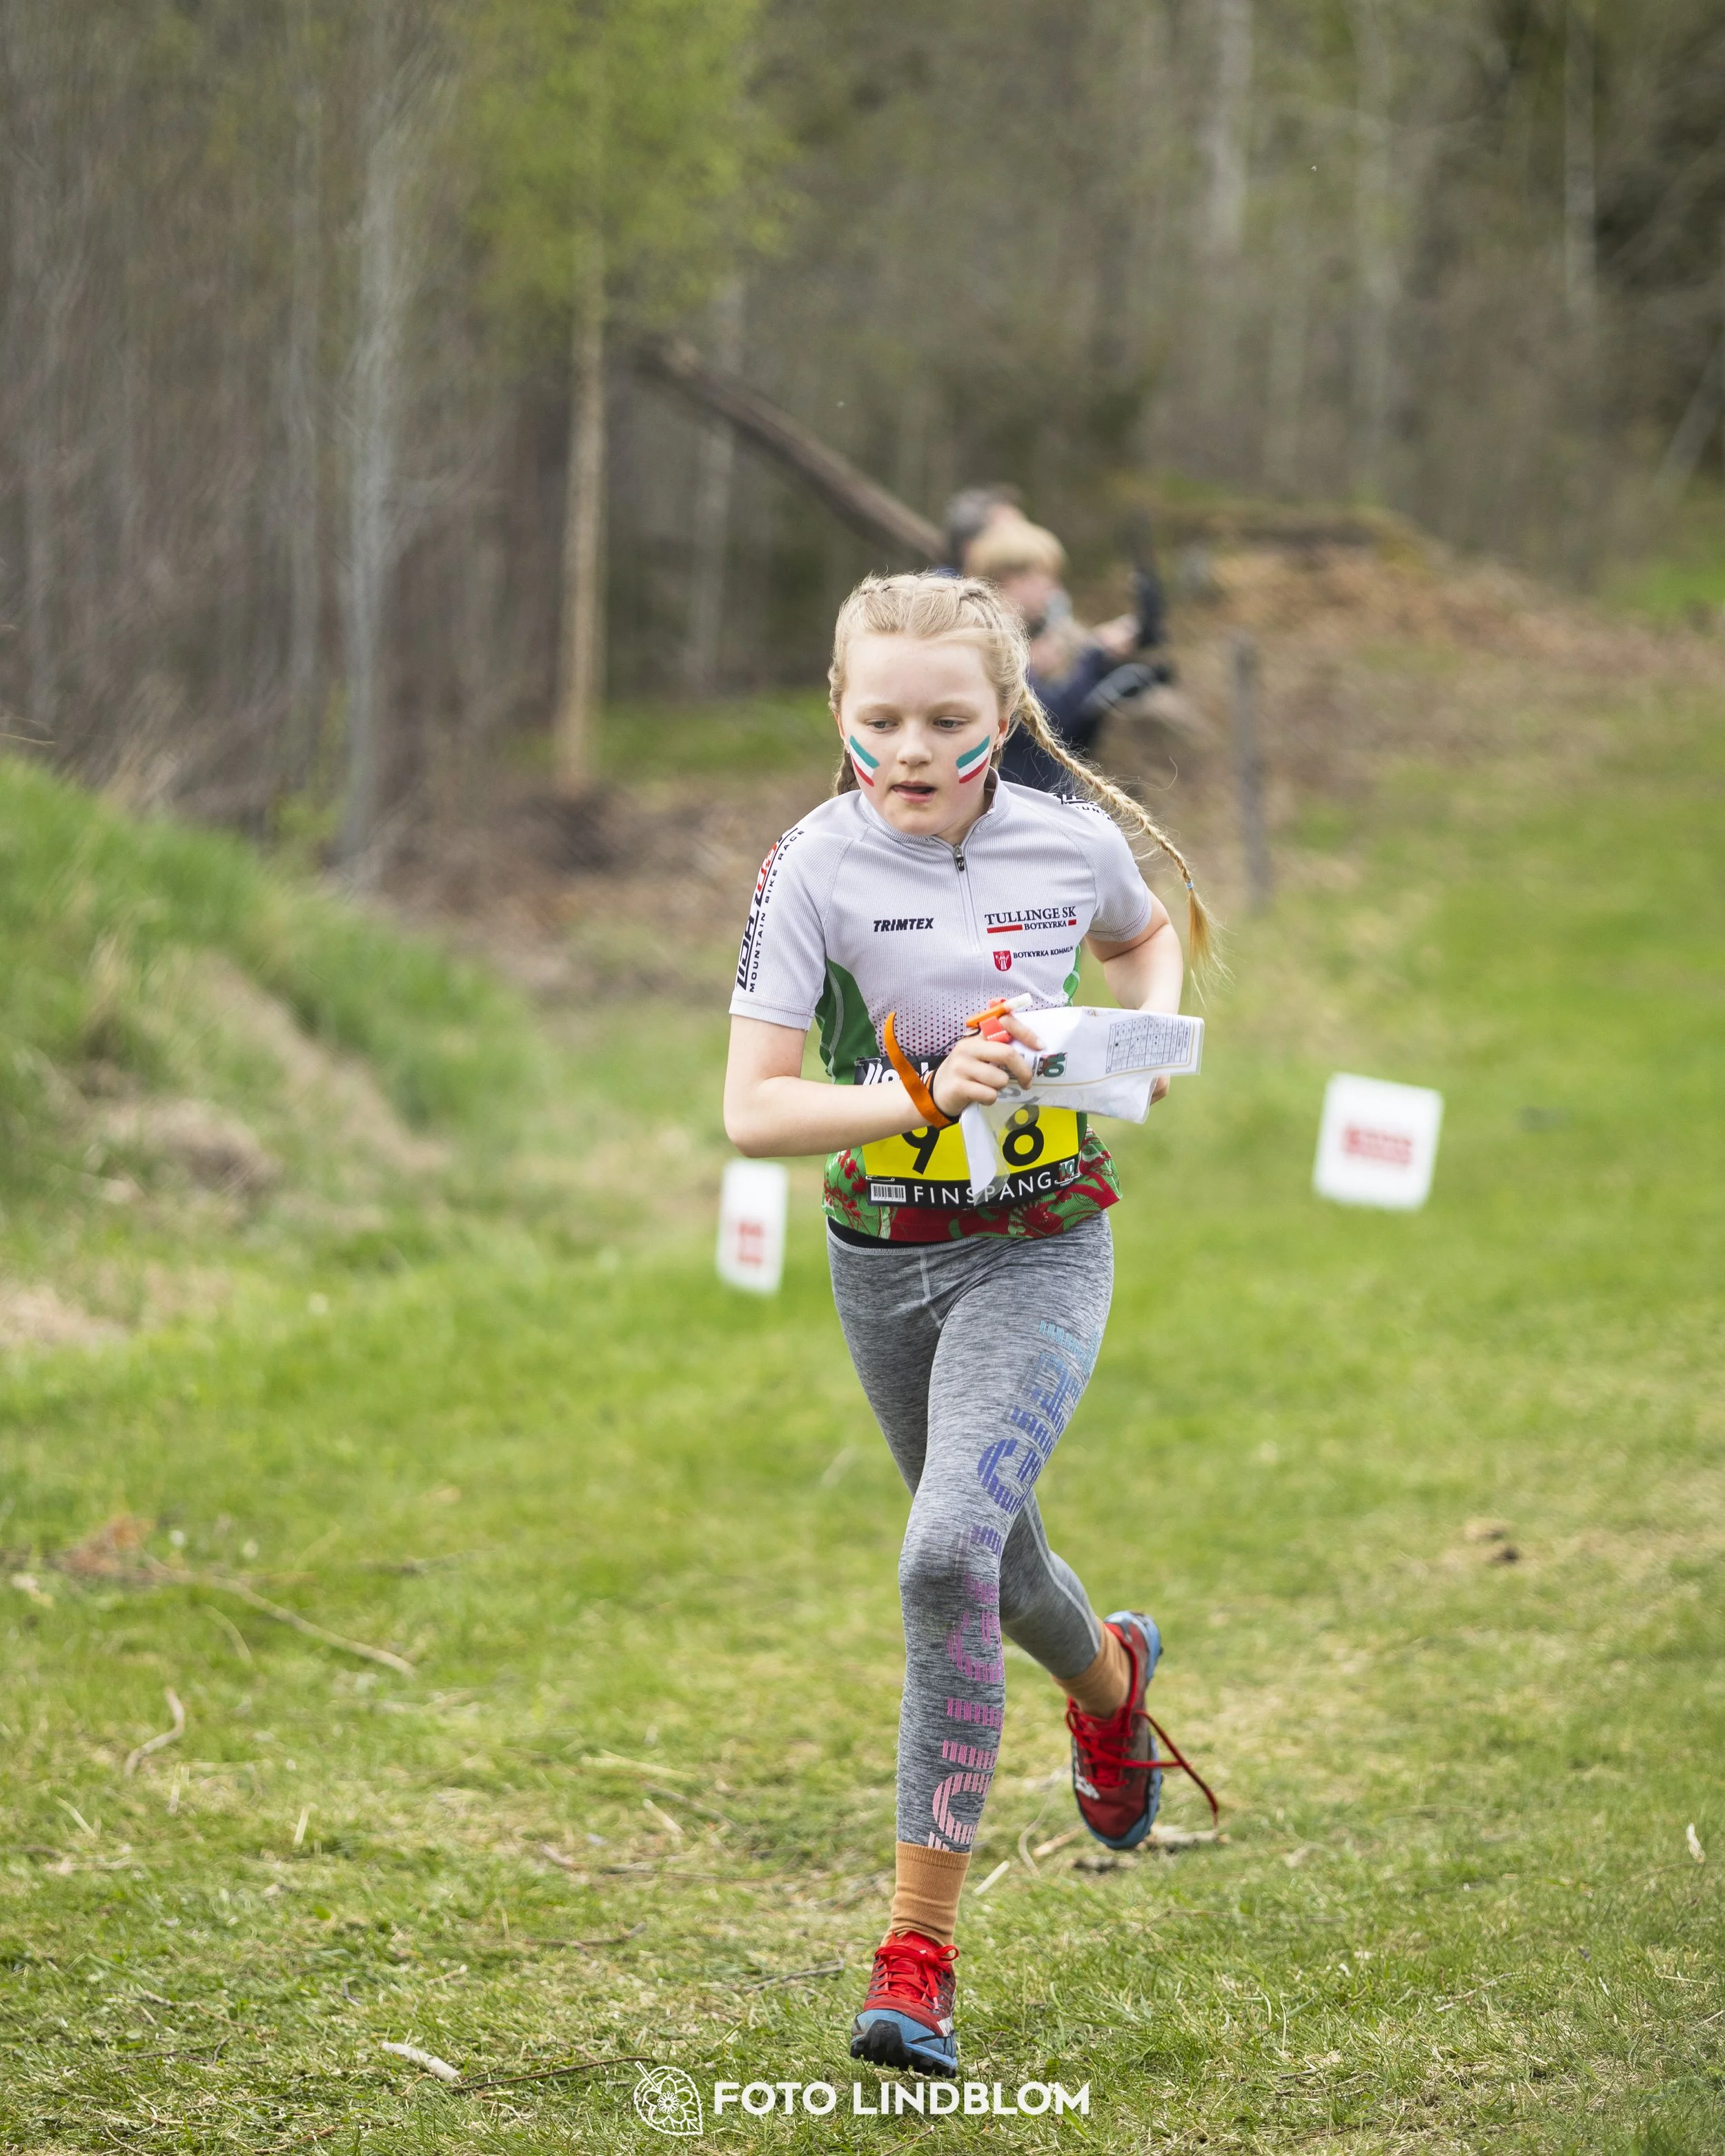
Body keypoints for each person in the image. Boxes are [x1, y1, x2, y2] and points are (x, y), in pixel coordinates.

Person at [723, 572, 1215, 2078]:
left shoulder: (1065, 841)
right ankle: (1111, 1680)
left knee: (943, 1555)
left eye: (947, 719)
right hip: (883, 1258)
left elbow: (1143, 937)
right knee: (993, 1566)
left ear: (1004, 714)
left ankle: (915, 1958)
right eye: (881, 718)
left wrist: (1137, 1038)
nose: (913, 749)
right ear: (839, 710)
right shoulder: (809, 867)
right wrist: (922, 1095)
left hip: (1043, 1245)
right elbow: (753, 1111)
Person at [965, 517, 1168, 795]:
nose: (1054, 590)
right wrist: (1096, 656)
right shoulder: (995, 640)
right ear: (1013, 578)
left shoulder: (991, 633)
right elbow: (1049, 722)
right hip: (1023, 798)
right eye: (1046, 577)